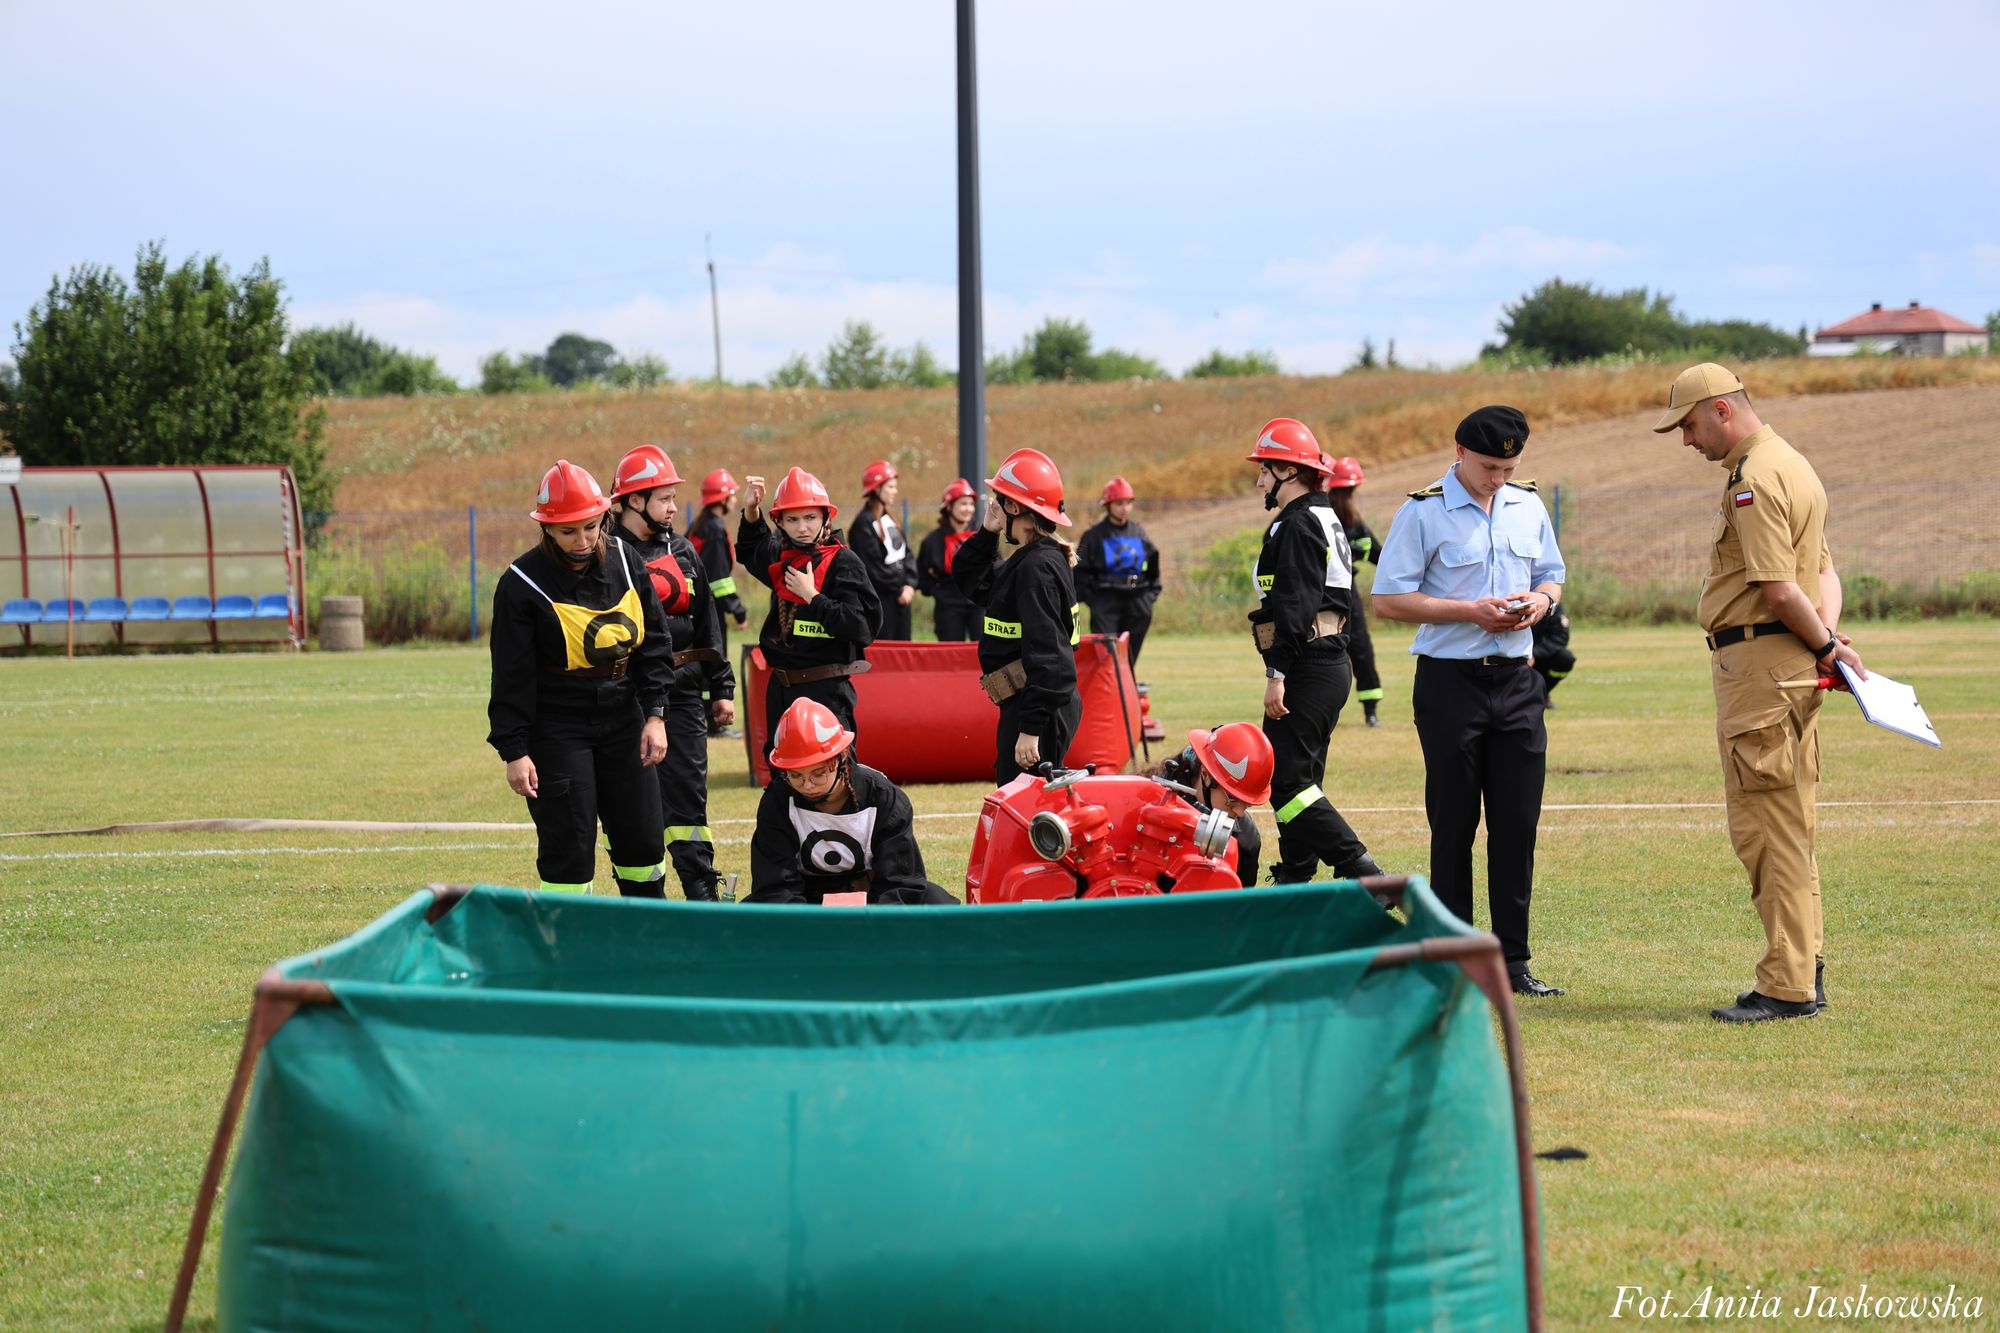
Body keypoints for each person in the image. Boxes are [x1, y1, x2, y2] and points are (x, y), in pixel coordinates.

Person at [1653, 362, 1865, 1023]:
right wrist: (1827, 638)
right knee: (1792, 824)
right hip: (1793, 662)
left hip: (1762, 667)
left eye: (1689, 425)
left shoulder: (1754, 479)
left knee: (1765, 829)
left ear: (1721, 410)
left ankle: (1787, 984)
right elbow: (1824, 570)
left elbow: (1778, 587)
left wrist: (1827, 646)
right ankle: (1804, 965)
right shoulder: (1794, 463)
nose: (1687, 441)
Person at [1371, 406, 1567, 996]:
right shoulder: (1423, 511)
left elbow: (1552, 575)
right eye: (1488, 466)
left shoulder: (1527, 506)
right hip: (1450, 682)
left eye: (1509, 468)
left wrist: (1540, 602)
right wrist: (1469, 611)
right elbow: (1388, 598)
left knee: (1517, 824)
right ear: (1459, 452)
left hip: (1517, 684)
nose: (1498, 479)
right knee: (1453, 824)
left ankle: (1511, 964)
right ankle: (1453, 960)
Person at [486, 459, 673, 896]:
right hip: (558, 726)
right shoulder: (520, 582)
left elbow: (655, 645)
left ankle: (646, 940)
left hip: (626, 717)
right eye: (568, 531)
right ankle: (567, 945)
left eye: (591, 526)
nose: (583, 540)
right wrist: (514, 751)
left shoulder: (627, 562)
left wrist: (656, 715)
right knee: (568, 844)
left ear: (605, 516)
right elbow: (511, 674)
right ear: (546, 528)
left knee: (643, 839)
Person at [1245, 419, 1386, 886]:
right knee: (1301, 783)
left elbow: (1294, 605)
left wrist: (1276, 672)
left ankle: (1363, 872)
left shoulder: (1299, 522)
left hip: (1307, 663)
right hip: (1326, 663)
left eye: (1265, 470)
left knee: (1286, 782)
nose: (1259, 480)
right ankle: (1296, 876)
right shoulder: (1321, 515)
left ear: (1288, 470)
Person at [608, 445, 736, 901]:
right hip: (624, 700)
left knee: (687, 802)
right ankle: (644, 899)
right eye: (663, 498)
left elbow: (708, 622)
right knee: (634, 806)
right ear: (633, 501)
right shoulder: (605, 554)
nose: (672, 507)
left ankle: (701, 889)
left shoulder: (682, 549)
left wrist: (722, 686)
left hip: (682, 698)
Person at [744, 697, 957, 904]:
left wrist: (873, 925)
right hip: (806, 899)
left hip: (873, 894)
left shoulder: (884, 797)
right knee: (746, 917)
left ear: (842, 758)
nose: (807, 785)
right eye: (796, 776)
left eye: (818, 774)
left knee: (936, 901)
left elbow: (900, 881)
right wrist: (804, 927)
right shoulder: (777, 801)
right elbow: (775, 885)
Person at [953, 447, 1081, 785]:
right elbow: (971, 579)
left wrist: (1030, 728)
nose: (993, 506)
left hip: (1038, 707)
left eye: (999, 500)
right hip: (1029, 703)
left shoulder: (1036, 568)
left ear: (1013, 506)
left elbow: (1052, 658)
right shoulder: (1028, 561)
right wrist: (987, 533)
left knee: (1027, 806)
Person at [736, 466, 880, 747]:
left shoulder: (844, 563)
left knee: (832, 771)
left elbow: (861, 627)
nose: (802, 527)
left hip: (826, 691)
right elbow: (751, 550)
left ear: (826, 517)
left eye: (810, 517)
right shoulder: (783, 558)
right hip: (781, 689)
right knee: (782, 770)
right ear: (780, 522)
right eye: (792, 519)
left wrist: (812, 597)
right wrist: (752, 510)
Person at [1158, 721, 1276, 888]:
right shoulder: (1156, 809)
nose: (1240, 812)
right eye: (1232, 798)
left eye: (1247, 804)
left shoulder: (1245, 841)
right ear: (1206, 775)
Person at [1074, 476, 1162, 669]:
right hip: (1106, 602)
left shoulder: (1138, 533)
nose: (1124, 508)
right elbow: (1079, 572)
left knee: (1128, 659)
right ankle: (1108, 690)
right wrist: (1093, 599)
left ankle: (1126, 688)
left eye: (1128, 503)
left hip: (1137, 602)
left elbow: (1153, 561)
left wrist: (1149, 596)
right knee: (1107, 656)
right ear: (1108, 505)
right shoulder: (1093, 536)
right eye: (1119, 503)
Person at [688, 469, 750, 738]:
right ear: (723, 498)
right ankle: (714, 724)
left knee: (702, 663)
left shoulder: (701, 524)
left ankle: (708, 723)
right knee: (714, 661)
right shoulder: (713, 527)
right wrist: (737, 610)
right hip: (709, 610)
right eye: (733, 495)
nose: (735, 501)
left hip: (694, 609)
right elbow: (718, 578)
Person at [1326, 456, 1386, 727]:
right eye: (1348, 491)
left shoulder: (1355, 521)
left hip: (1347, 594)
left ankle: (1370, 711)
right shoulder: (1322, 516)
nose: (1349, 496)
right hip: (1323, 595)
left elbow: (1379, 555)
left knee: (1361, 649)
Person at [848, 459, 919, 640]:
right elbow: (872, 567)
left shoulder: (890, 518)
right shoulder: (863, 524)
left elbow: (906, 553)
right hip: (882, 601)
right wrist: (899, 589)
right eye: (890, 487)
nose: (895, 491)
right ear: (876, 488)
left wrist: (910, 584)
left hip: (902, 598)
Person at [917, 478, 980, 641]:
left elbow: (995, 566)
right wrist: (938, 591)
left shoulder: (983, 536)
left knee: (983, 654)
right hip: (948, 607)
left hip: (978, 605)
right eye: (963, 504)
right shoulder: (933, 540)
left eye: (970, 504)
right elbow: (922, 574)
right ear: (949, 507)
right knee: (950, 655)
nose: (968, 509)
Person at [1530, 599, 1575, 707]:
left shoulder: (1551, 604)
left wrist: (1534, 653)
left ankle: (1543, 693)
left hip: (1538, 658)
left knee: (1565, 659)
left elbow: (1561, 637)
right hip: (1513, 655)